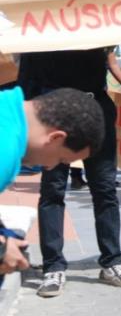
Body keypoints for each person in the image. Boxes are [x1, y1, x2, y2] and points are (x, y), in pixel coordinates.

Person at [18, 48, 121, 298]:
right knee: (52, 189)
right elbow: (26, 78)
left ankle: (112, 261)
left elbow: (113, 49)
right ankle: (53, 266)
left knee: (104, 188)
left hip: (95, 110)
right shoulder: (39, 30)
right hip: (53, 115)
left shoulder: (91, 21)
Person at [0, 87, 104, 279]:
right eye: (62, 159)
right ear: (56, 137)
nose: (50, 167)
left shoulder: (7, 105)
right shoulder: (6, 149)